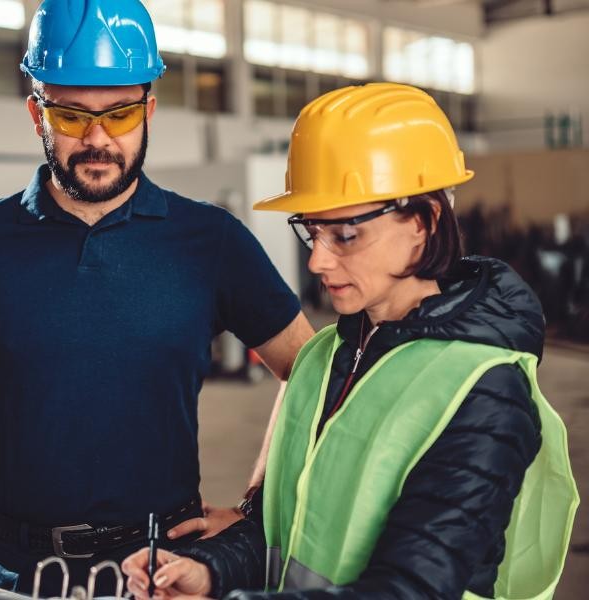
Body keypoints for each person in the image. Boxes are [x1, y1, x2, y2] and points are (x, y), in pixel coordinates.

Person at [0, 0, 313, 595]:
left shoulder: (210, 240)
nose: (97, 139)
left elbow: (308, 369)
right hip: (11, 568)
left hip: (156, 570)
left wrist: (254, 510)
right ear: (36, 113)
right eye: (70, 115)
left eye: (118, 114)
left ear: (149, 109)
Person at [122, 83, 580, 600]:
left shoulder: (483, 389)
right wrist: (210, 572)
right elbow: (286, 531)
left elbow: (410, 589)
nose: (317, 261)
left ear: (425, 222)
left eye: (345, 235)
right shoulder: (323, 357)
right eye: (312, 231)